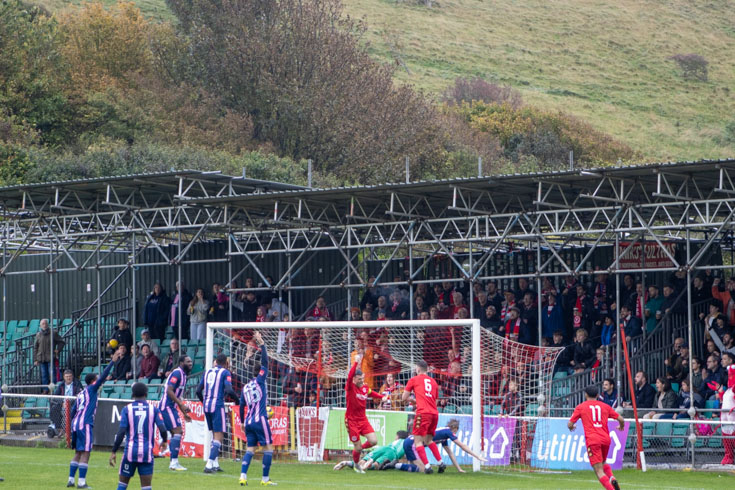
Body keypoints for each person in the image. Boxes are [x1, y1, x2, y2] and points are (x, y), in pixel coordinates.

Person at [67, 349, 122, 488]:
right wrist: (112, 362)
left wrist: (72, 425)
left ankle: (71, 480)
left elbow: (73, 411)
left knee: (78, 452)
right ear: (93, 381)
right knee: (86, 452)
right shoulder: (92, 389)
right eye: (96, 380)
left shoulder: (80, 394)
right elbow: (103, 377)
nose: (99, 381)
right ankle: (81, 482)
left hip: (76, 424)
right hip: (84, 424)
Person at [109, 382, 168, 490]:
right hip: (146, 452)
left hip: (130, 452)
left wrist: (114, 451)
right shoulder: (153, 409)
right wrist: (164, 441)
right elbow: (163, 429)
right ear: (146, 393)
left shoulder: (127, 409)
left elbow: (121, 432)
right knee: (146, 486)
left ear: (133, 394)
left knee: (122, 484)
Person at [568, 385, 625, 490]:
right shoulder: (605, 406)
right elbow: (621, 419)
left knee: (598, 471)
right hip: (605, 439)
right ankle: (612, 477)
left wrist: (572, 427)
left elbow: (570, 423)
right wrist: (621, 426)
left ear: (585, 395)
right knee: (603, 462)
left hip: (593, 440)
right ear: (598, 395)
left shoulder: (581, 407)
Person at [238, 332, 277, 486]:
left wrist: (241, 421)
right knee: (268, 448)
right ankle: (265, 480)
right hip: (260, 419)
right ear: (260, 373)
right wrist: (262, 344)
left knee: (250, 449)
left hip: (248, 421)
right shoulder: (261, 381)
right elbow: (266, 362)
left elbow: (241, 406)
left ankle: (242, 476)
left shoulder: (245, 387)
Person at [386, 419, 484, 473]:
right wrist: (477, 456)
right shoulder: (448, 432)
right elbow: (462, 446)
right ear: (455, 428)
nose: (456, 433)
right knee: (422, 469)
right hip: (412, 444)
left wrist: (459, 469)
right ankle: (396, 465)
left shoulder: (443, 434)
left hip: (411, 443)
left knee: (415, 467)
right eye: (456, 430)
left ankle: (396, 463)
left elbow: (450, 453)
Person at [344, 355, 388, 473]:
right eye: (359, 379)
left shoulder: (364, 388)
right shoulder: (350, 387)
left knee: (374, 441)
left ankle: (357, 450)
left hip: (363, 420)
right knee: (357, 447)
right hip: (351, 420)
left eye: (362, 378)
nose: (361, 381)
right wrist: (356, 363)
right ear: (354, 379)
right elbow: (349, 376)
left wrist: (381, 397)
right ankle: (356, 465)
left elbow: (371, 392)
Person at [197, 353, 238, 473]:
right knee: (219, 436)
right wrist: (238, 400)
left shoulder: (207, 372)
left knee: (215, 434)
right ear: (226, 363)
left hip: (207, 406)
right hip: (217, 406)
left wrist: (204, 402)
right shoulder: (225, 372)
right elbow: (229, 390)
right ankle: (209, 465)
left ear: (216, 362)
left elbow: (198, 391)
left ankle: (215, 463)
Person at [401, 360, 440, 474]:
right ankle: (441, 462)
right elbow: (435, 401)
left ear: (417, 369)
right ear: (427, 369)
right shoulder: (434, 382)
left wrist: (413, 401)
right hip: (434, 413)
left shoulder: (414, 379)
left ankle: (427, 466)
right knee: (429, 440)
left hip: (423, 413)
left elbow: (404, 398)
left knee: (418, 441)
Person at [158, 355, 193, 471]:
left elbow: (177, 396)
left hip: (171, 407)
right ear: (181, 362)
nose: (190, 363)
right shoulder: (177, 373)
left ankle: (174, 462)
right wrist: (181, 405)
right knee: (178, 431)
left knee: (176, 432)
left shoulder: (184, 375)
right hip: (166, 406)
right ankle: (173, 462)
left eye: (191, 361)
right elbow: (169, 391)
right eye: (188, 361)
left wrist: (184, 412)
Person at [335, 431, 409, 472]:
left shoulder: (394, 442)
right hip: (392, 453)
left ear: (398, 437)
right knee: (377, 464)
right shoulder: (406, 442)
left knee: (362, 461)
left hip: (384, 448)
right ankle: (369, 465)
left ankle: (347, 462)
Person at [49, 369, 82, 439]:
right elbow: (55, 397)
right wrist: (62, 403)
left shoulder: (77, 383)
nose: (68, 378)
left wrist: (69, 403)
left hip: (73, 404)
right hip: (63, 404)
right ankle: (60, 429)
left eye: (70, 376)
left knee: (70, 410)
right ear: (64, 377)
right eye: (67, 376)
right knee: (54, 409)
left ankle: (68, 431)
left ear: (72, 377)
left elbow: (79, 395)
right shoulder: (61, 385)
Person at [34, 319, 65, 390]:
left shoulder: (53, 333)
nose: (44, 325)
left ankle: (53, 389)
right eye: (42, 324)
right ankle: (45, 389)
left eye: (45, 323)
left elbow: (61, 342)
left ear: (47, 324)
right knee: (44, 375)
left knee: (52, 374)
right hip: (41, 358)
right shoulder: (38, 335)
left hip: (51, 357)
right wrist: (35, 359)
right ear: (40, 326)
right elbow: (35, 347)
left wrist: (58, 350)